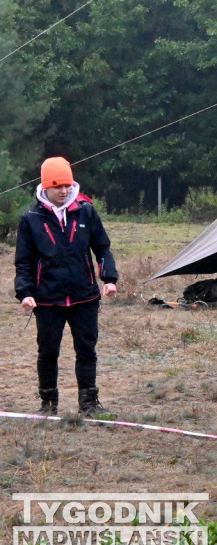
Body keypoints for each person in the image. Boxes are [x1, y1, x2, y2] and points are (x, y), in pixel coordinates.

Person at [15, 157, 119, 417]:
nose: (63, 191)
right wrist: (25, 292)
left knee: (87, 350)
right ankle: (48, 404)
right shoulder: (30, 218)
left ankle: (89, 403)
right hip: (47, 299)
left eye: (67, 185)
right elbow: (24, 261)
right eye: (57, 186)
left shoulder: (86, 210)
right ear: (45, 187)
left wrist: (109, 279)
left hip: (84, 296)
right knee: (48, 352)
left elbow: (102, 247)